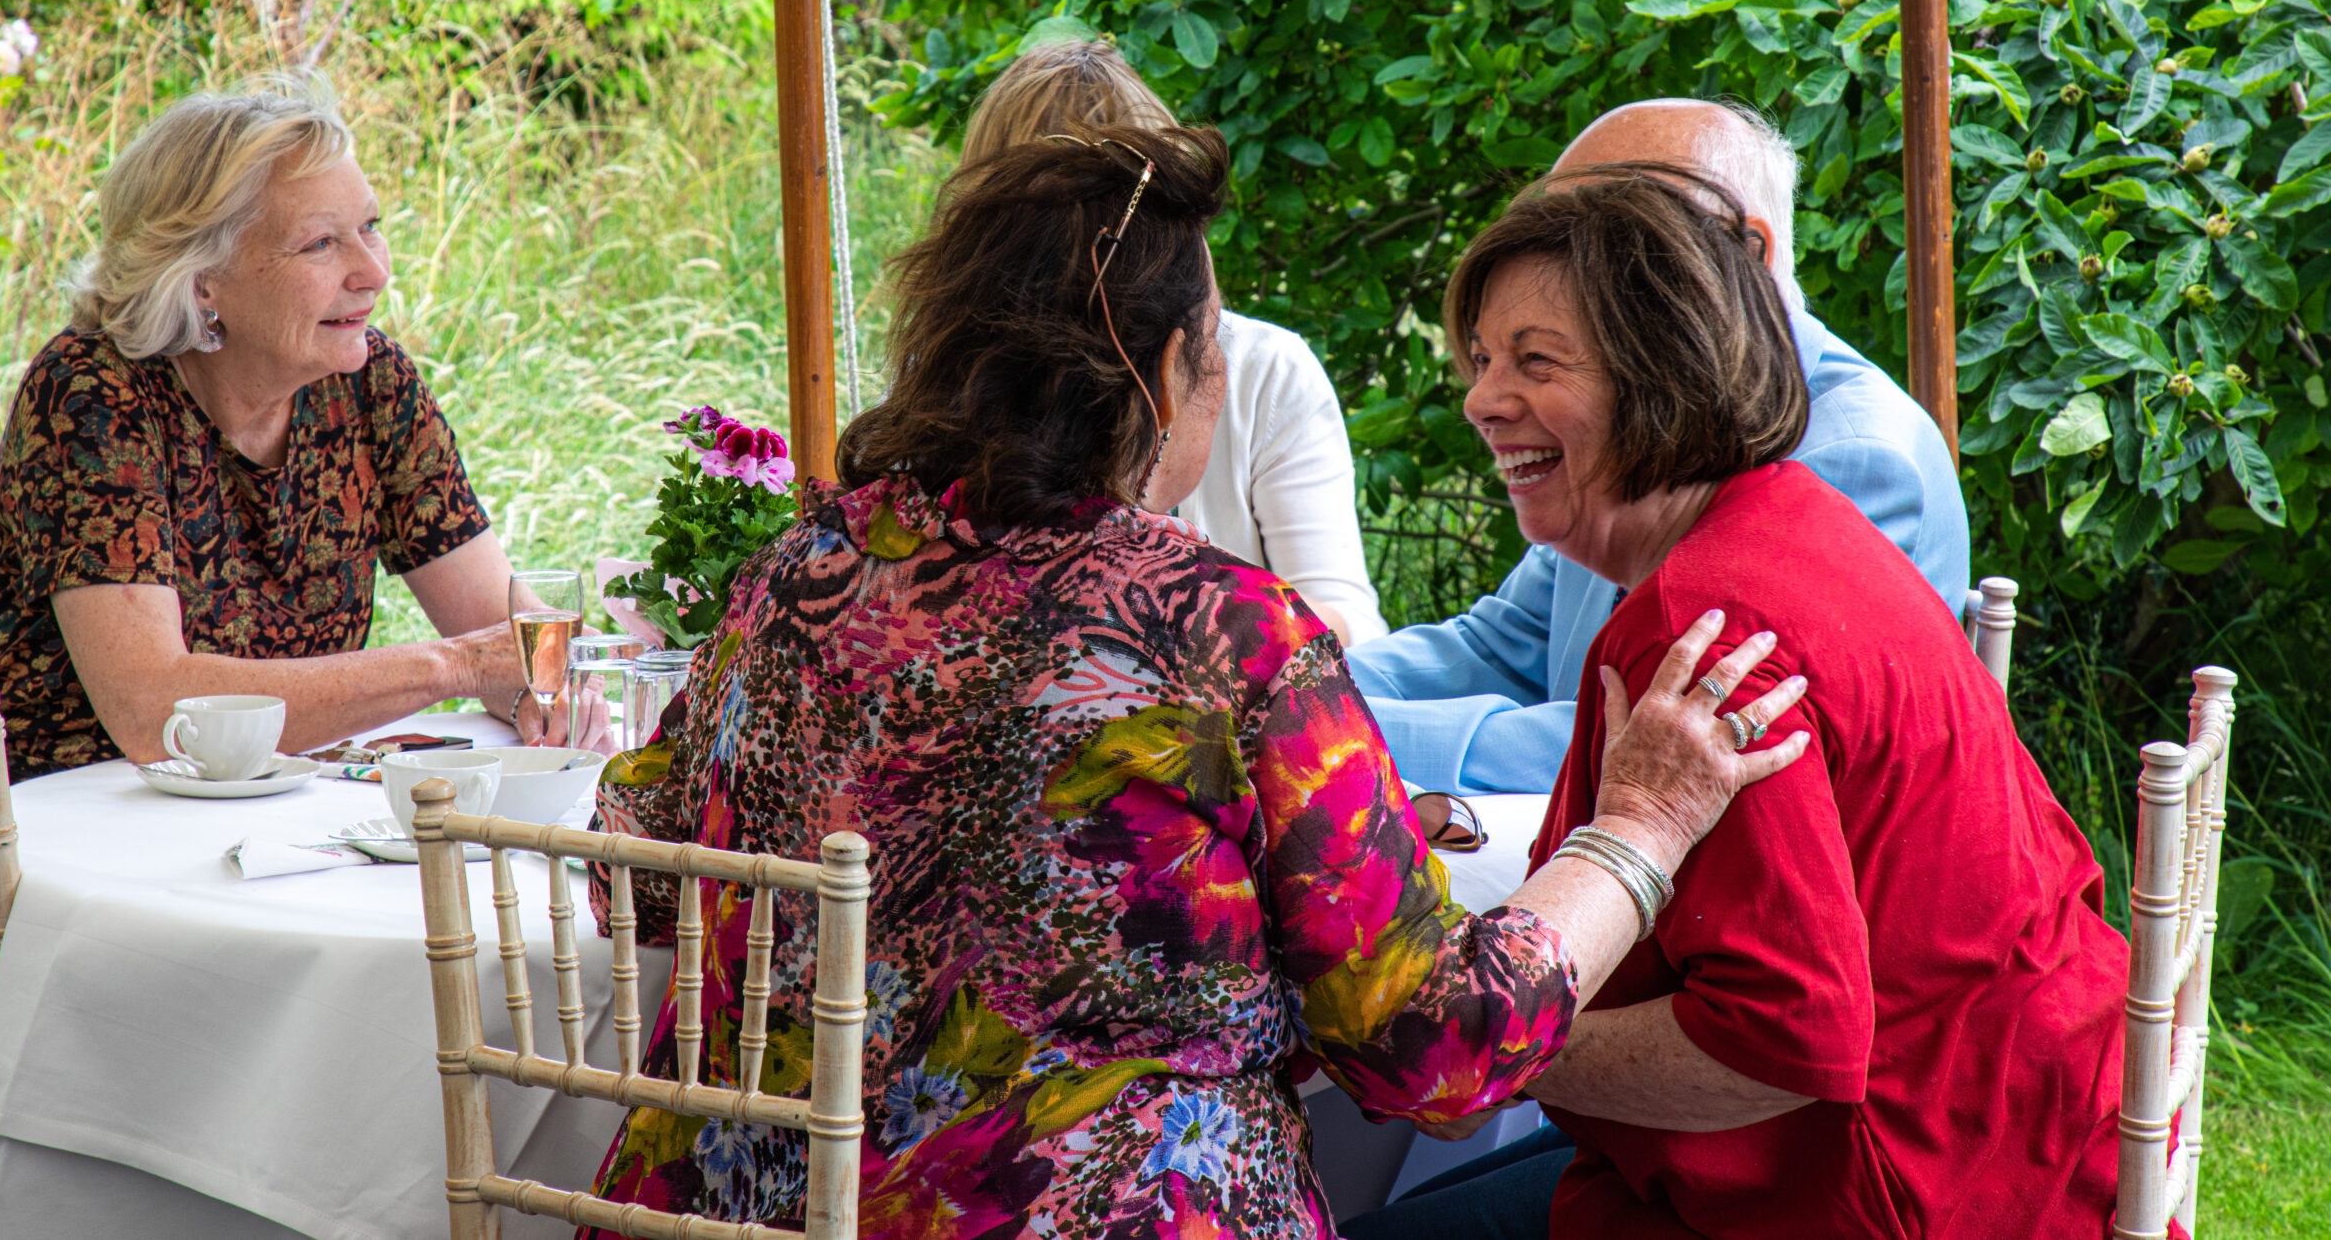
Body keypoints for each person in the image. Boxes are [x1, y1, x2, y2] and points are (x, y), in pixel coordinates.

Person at [578, 129, 1812, 1239]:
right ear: (1161, 369)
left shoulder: (792, 573)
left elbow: (638, 879)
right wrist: (1636, 833)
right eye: (1212, 342)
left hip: (736, 1208)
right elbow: (1434, 1053)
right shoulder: (1213, 628)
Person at [1344, 169, 2127, 1240]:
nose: (1483, 399)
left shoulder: (1701, 623)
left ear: (1660, 370)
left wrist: (1487, 1037)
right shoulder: (1784, 516)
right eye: (1481, 360)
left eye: (1536, 361)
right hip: (2007, 1122)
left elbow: (1778, 1044)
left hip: (1895, 1181)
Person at [0, 79, 542, 1029]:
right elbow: (154, 709)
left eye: (371, 228)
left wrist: (541, 684)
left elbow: (507, 630)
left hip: (258, 853)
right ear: (202, 278)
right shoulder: (93, 392)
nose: (372, 271)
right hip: (17, 886)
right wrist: (457, 668)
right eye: (321, 244)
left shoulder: (370, 384)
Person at [1348, 100, 1969, 795]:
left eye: (1618, 239)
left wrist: (1321, 729)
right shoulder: (1616, 423)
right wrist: (1294, 682)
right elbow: (1506, 645)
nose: (1480, 402)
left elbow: (1667, 747)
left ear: (1747, 256)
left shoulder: (1858, 458)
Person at [959, 38, 1385, 643]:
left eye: (1121, 210)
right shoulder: (950, 378)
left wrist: (1206, 626)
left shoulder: (1265, 369)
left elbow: (1350, 623)